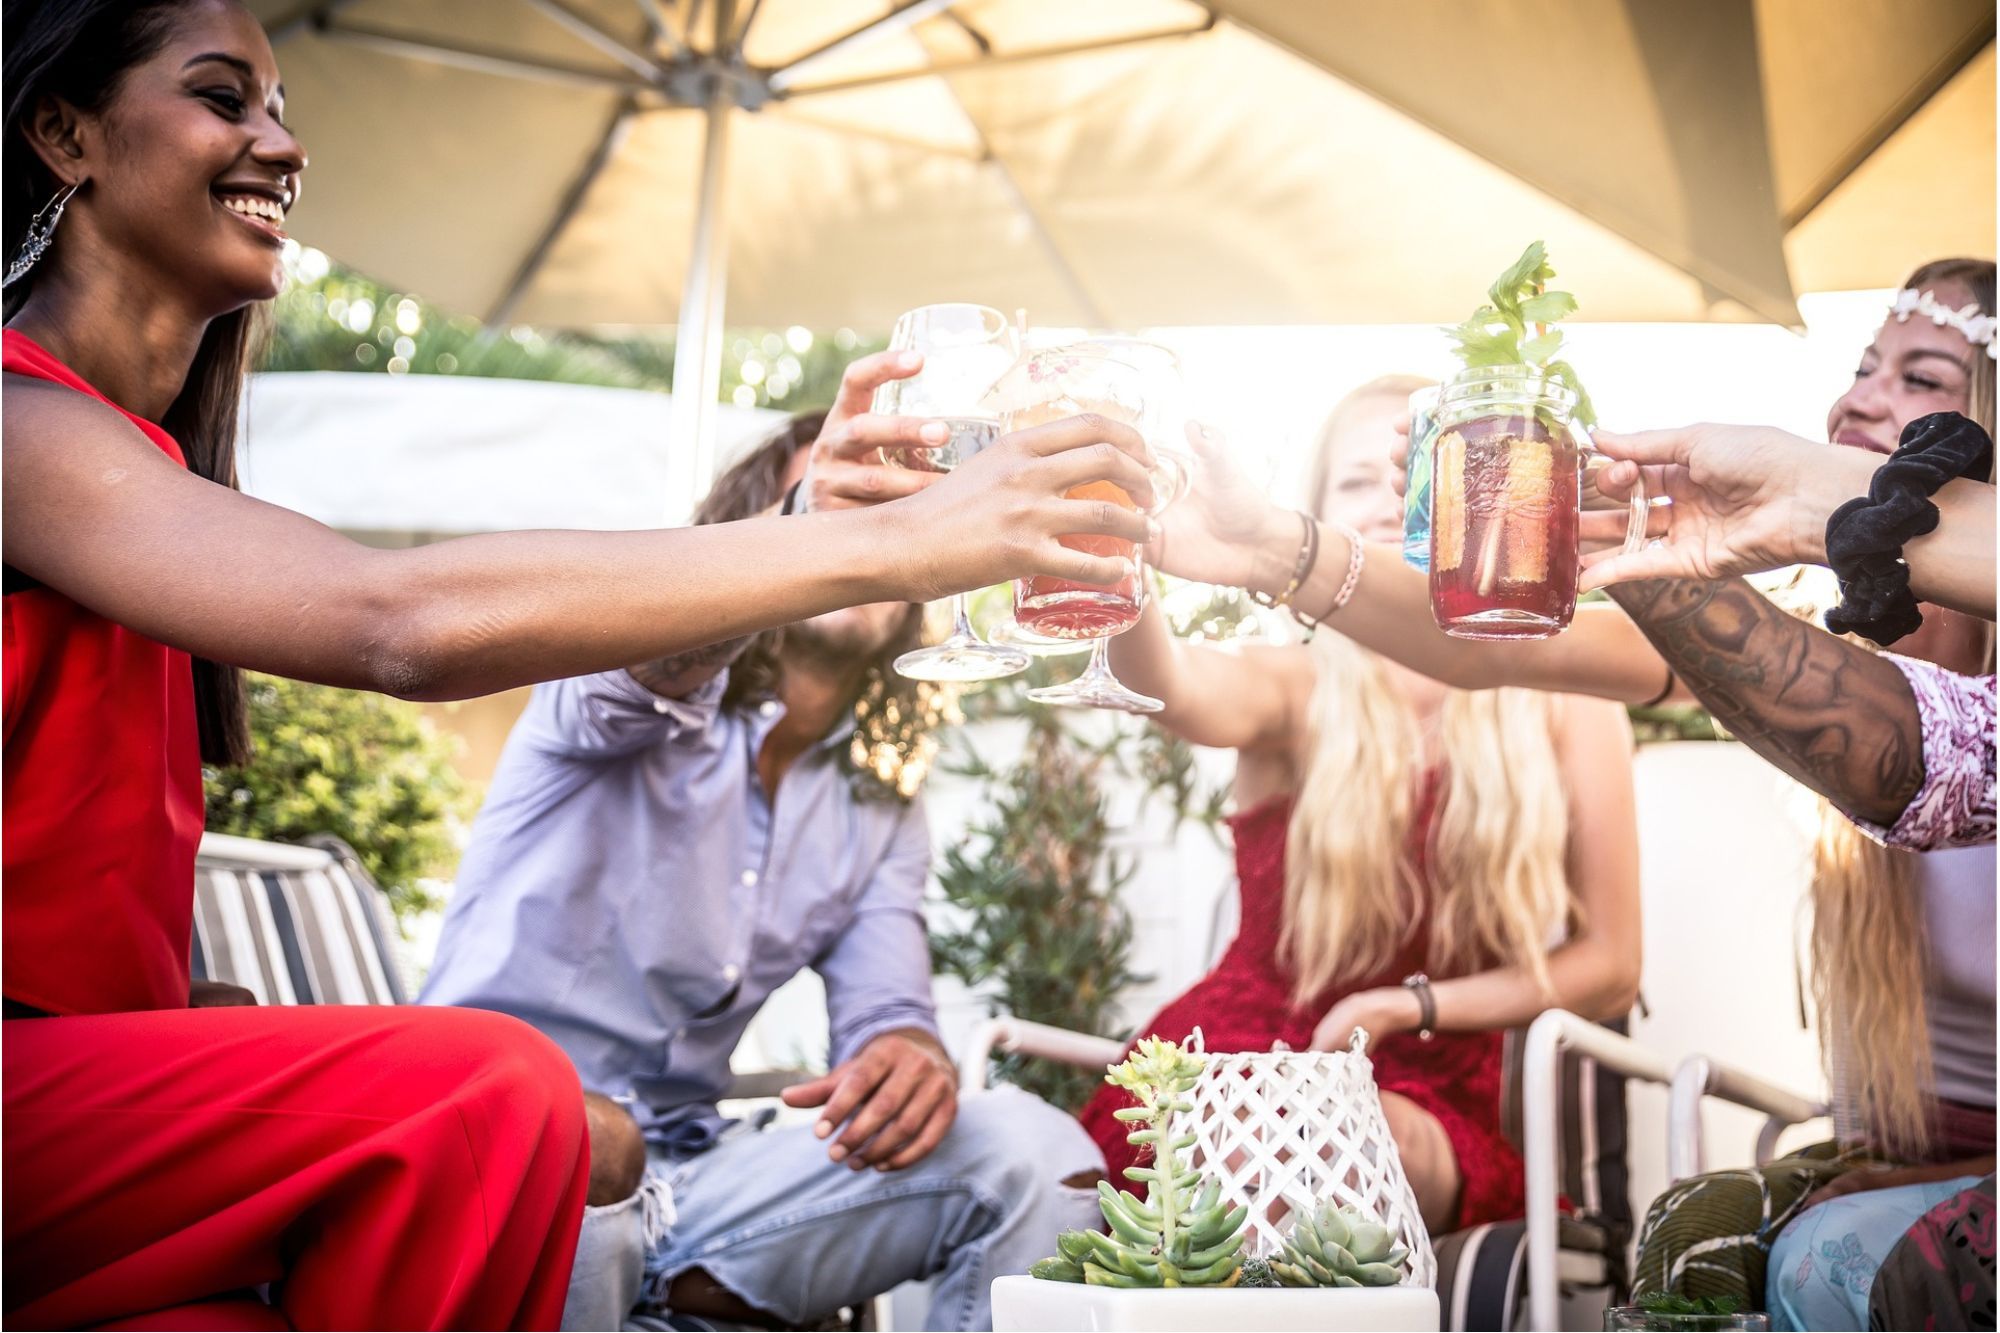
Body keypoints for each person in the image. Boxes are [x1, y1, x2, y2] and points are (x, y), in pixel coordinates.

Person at [0, 2, 1152, 1327]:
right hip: (480, 1146)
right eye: (225, 96)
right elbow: (397, 620)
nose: (281, 139)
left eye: (280, 105)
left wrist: (903, 1049)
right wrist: (882, 542)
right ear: (62, 129)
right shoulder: (20, 427)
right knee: (500, 1097)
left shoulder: (140, 471)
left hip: (684, 1173)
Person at [1150, 260, 1997, 1326]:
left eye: (1919, 374)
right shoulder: (1806, 634)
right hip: (1906, 1149)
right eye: (1858, 367)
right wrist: (1270, 547)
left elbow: (1892, 746)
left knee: (1823, 1255)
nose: (1858, 399)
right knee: (1693, 1235)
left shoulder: (1886, 699)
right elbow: (1489, 645)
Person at [422, 418, 1103, 1332]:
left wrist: (908, 1056)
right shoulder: (615, 693)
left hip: (696, 1182)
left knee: (1034, 1149)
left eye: (896, 517)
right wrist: (803, 525)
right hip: (498, 1165)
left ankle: (660, 1288)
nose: (867, 532)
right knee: (588, 1145)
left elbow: (884, 1014)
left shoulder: (878, 812)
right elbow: (661, 655)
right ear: (750, 533)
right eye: (843, 503)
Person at [1078, 376, 1644, 1235]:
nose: (1388, 499)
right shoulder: (1295, 685)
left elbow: (1612, 961)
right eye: (1355, 482)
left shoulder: (1567, 696)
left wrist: (1412, 1007)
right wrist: (1117, 547)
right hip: (1240, 1055)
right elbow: (1169, 685)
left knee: (1337, 1143)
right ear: (1308, 521)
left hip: (1436, 1081)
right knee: (1253, 1137)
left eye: (1417, 471)